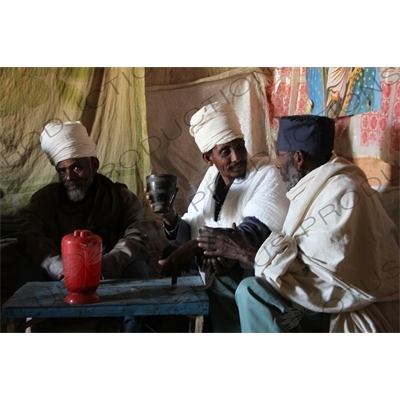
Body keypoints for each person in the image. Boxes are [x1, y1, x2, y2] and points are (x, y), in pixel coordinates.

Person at [200, 114, 400, 333]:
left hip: (336, 305)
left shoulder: (345, 192)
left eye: (280, 155)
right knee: (221, 283)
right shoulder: (311, 185)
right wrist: (243, 258)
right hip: (306, 292)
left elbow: (323, 277)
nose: (276, 163)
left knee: (251, 290)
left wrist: (248, 254)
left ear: (298, 158)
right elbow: (299, 253)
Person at [146, 102, 289, 332]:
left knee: (214, 275)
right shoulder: (212, 176)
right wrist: (170, 215)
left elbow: (250, 235)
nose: (237, 157)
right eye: (225, 152)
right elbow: (189, 229)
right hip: (216, 270)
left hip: (251, 275)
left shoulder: (268, 174)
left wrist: (194, 247)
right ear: (208, 158)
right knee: (171, 255)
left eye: (240, 146)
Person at [17, 121, 151, 332]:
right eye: (62, 171)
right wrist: (61, 268)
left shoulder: (122, 199)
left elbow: (135, 237)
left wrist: (101, 266)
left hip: (108, 275)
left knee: (139, 268)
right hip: (60, 278)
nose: (69, 178)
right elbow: (30, 237)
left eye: (76, 168)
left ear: (94, 166)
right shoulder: (44, 200)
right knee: (28, 268)